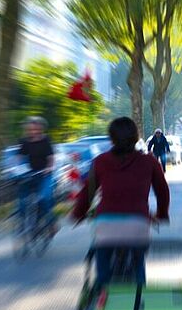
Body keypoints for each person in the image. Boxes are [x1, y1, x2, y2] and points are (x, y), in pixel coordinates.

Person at [73, 117, 170, 285]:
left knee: (102, 266)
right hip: (138, 224)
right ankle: (139, 297)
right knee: (138, 262)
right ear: (136, 137)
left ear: (111, 138)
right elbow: (163, 192)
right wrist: (161, 214)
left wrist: (79, 214)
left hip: (105, 225)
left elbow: (87, 194)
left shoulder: (100, 161)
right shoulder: (149, 161)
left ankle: (101, 294)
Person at [18, 116, 57, 235]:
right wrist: (15, 168)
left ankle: (51, 222)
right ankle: (23, 222)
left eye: (36, 129)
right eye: (30, 129)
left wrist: (49, 168)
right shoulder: (25, 141)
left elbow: (50, 158)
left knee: (44, 198)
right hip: (30, 174)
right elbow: (19, 157)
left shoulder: (46, 140)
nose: (33, 132)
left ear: (41, 129)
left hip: (44, 174)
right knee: (22, 200)